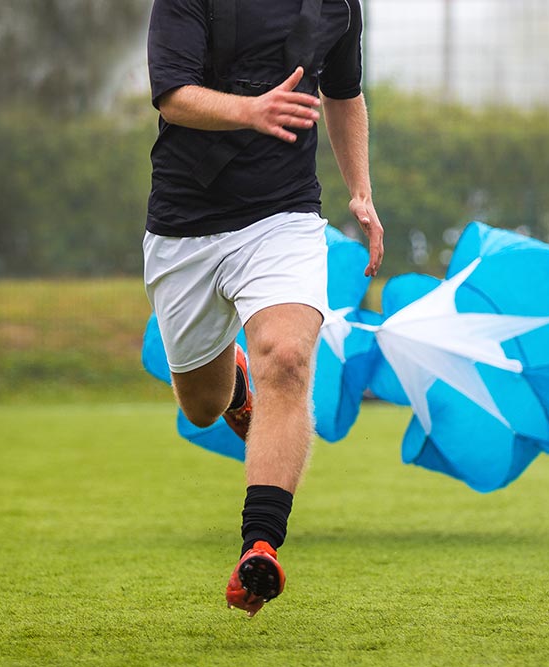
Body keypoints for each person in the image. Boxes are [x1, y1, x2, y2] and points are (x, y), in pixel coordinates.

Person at [144, 0, 383, 617]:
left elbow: (344, 93)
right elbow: (171, 94)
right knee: (202, 407)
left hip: (283, 217)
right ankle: (235, 384)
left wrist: (360, 190)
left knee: (288, 357)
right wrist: (251, 111)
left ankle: (261, 546)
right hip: (184, 226)